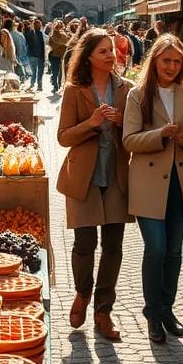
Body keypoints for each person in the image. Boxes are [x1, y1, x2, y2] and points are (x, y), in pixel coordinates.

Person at [123, 34, 183, 344]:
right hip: (147, 182)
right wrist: (160, 134)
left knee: (174, 251)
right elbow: (129, 139)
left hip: (180, 182)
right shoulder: (138, 95)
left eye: (176, 61)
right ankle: (152, 312)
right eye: (166, 60)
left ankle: (168, 309)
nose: (171, 66)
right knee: (155, 248)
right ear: (154, 60)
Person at [57, 29, 133, 341]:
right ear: (88, 56)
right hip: (84, 177)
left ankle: (104, 310)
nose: (110, 55)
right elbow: (63, 137)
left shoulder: (127, 89)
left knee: (114, 246)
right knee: (84, 244)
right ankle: (82, 293)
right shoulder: (75, 90)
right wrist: (90, 123)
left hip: (115, 175)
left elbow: (134, 132)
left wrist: (119, 123)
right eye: (103, 51)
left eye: (112, 50)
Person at [24, 19, 47, 91]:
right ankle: (39, 85)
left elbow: (27, 44)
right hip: (39, 55)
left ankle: (32, 83)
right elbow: (43, 45)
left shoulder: (29, 33)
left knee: (33, 71)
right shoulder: (40, 34)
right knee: (40, 71)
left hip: (31, 55)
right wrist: (44, 57)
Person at [47, 20, 70, 93]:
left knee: (55, 72)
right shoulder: (64, 35)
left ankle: (56, 85)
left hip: (55, 55)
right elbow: (66, 44)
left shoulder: (52, 35)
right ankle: (58, 85)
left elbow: (50, 44)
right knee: (60, 72)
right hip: (61, 56)